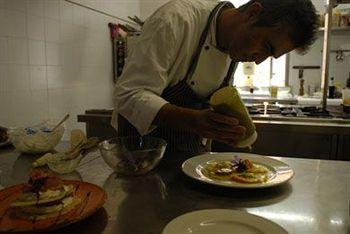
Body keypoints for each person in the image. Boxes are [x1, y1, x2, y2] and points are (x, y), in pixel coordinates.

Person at [112, 0, 319, 154]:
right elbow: (129, 94)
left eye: (269, 55)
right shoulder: (175, 20)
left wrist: (228, 130)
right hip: (139, 158)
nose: (258, 61)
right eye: (266, 46)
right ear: (252, 13)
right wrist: (194, 121)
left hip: (188, 160)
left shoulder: (236, 45)